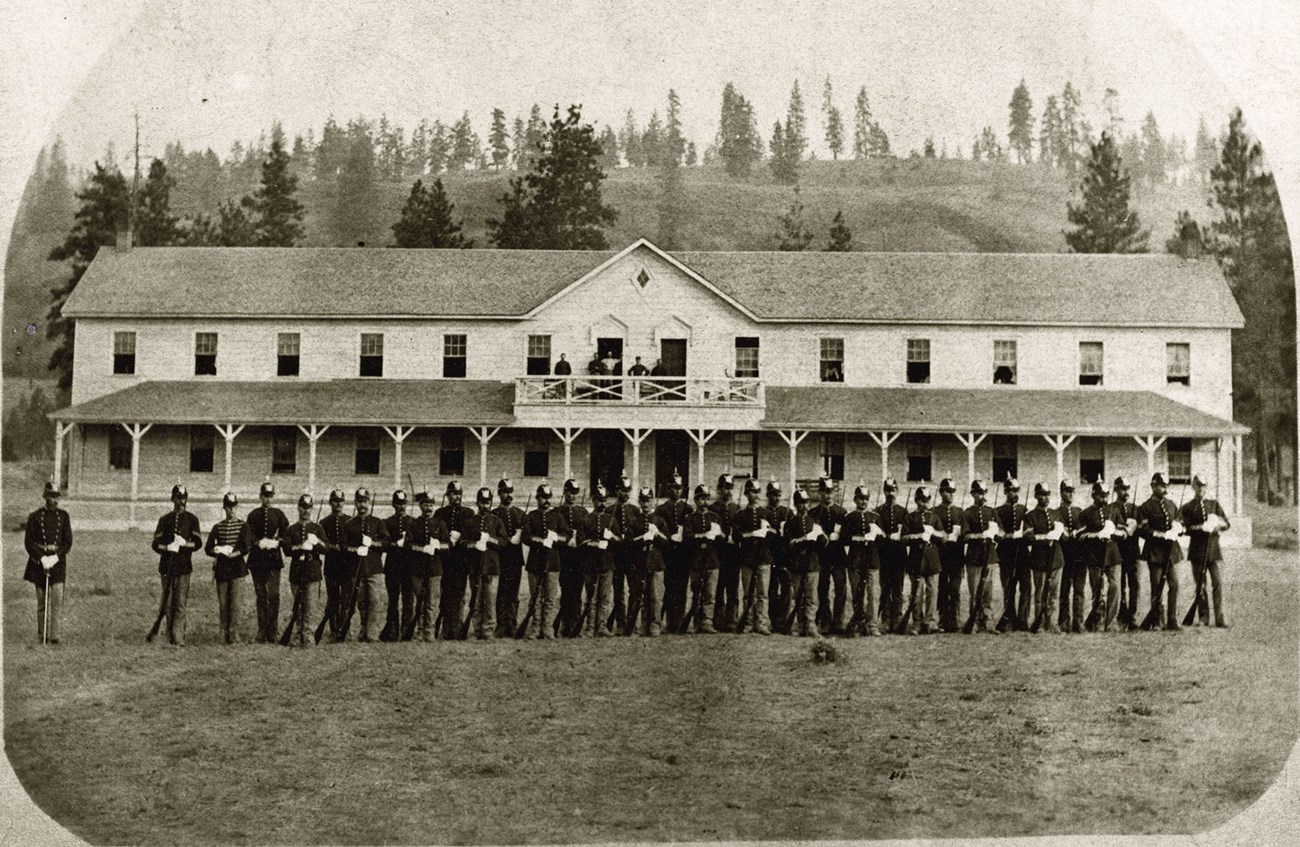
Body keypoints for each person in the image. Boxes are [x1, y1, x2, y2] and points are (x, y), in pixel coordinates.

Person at [151, 484, 203, 646]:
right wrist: (167, 547)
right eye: (178, 498)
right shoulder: (164, 520)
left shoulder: (192, 520)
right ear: (172, 499)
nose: (181, 501)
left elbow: (197, 543)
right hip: (167, 566)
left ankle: (178, 636)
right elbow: (155, 544)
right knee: (167, 602)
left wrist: (183, 544)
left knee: (180, 603)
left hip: (183, 566)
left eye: (184, 498)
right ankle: (168, 634)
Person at [24, 481, 72, 645]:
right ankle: (42, 635)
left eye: (57, 496)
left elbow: (67, 542)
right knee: (42, 601)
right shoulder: (34, 517)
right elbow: (28, 543)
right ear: (45, 497)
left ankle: (55, 636)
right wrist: (42, 558)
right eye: (52, 496)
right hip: (39, 563)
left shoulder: (64, 516)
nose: (56, 500)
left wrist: (55, 557)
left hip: (57, 562)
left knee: (57, 600)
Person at [521, 482, 571, 639]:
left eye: (548, 497)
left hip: (552, 562)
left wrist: (556, 538)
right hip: (535, 562)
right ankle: (535, 628)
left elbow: (567, 535)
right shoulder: (530, 516)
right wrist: (540, 541)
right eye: (543, 497)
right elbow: (525, 537)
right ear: (537, 498)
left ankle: (548, 628)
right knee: (535, 597)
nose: (546, 500)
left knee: (550, 598)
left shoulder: (557, 516)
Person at [341, 487, 389, 642]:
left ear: (369, 502)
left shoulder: (377, 522)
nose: (362, 505)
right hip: (356, 568)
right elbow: (343, 546)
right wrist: (355, 550)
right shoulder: (349, 524)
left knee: (375, 600)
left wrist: (372, 543)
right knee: (361, 601)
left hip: (374, 568)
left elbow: (386, 543)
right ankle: (363, 630)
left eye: (365, 501)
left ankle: (372, 633)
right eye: (359, 501)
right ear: (355, 502)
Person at [246, 481, 290, 643]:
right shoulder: (253, 515)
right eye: (265, 496)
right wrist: (258, 542)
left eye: (271, 496)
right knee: (261, 595)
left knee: (274, 594)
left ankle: (272, 630)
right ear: (260, 496)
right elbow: (248, 534)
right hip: (257, 559)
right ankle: (261, 630)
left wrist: (277, 541)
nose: (268, 499)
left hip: (273, 560)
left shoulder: (278, 514)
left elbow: (286, 532)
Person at [1138, 472, 1183, 631]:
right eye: (1161, 485)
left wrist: (1178, 529)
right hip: (1155, 552)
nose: (1164, 488)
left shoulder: (1171, 504)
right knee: (1157, 586)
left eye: (1166, 485)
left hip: (1170, 552)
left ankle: (1172, 620)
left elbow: (1179, 522)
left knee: (1174, 585)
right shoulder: (1145, 507)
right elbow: (1143, 530)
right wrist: (1161, 534)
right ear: (1153, 486)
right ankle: (1157, 621)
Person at [282, 493, 326, 648]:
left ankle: (308, 638)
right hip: (297, 572)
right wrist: (301, 546)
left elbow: (325, 549)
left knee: (310, 608)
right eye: (303, 507)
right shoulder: (291, 529)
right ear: (298, 507)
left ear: (312, 508)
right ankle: (295, 637)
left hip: (313, 571)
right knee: (298, 607)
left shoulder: (317, 528)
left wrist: (316, 542)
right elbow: (287, 549)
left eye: (308, 507)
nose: (305, 510)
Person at [205, 491, 250, 644]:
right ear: (224, 508)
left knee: (236, 603)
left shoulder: (243, 526)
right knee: (223, 603)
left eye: (233, 507)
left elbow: (246, 546)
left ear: (237, 507)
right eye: (228, 507)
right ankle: (223, 633)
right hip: (222, 569)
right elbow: (208, 547)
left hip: (237, 569)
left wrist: (234, 553)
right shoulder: (218, 527)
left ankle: (234, 633)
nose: (231, 510)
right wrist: (216, 550)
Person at [1078, 481, 1122, 632]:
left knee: (1115, 586)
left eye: (1106, 496)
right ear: (1093, 496)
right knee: (1097, 589)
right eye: (1101, 496)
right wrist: (1096, 535)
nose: (1104, 499)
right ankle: (1097, 620)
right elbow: (1080, 535)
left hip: (1112, 554)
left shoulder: (1114, 511)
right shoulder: (1086, 514)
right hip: (1094, 554)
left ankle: (1111, 623)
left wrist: (1114, 532)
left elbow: (1124, 531)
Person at [406, 491, 448, 641]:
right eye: (426, 504)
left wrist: (437, 547)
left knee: (432, 602)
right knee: (420, 601)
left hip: (434, 569)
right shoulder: (414, 524)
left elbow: (447, 545)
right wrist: (422, 548)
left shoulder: (440, 523)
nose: (429, 508)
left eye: (431, 504)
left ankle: (429, 631)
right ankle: (419, 630)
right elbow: (408, 545)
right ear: (420, 505)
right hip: (417, 569)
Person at [733, 478, 773, 635]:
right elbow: (736, 535)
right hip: (747, 558)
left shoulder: (767, 513)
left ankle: (762, 622)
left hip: (763, 557)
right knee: (748, 593)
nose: (754, 495)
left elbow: (775, 536)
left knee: (762, 593)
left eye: (756, 491)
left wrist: (767, 531)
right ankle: (748, 622)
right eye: (751, 492)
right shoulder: (740, 515)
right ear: (745, 494)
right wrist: (751, 534)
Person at [464, 487, 505, 639]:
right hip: (475, 567)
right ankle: (477, 629)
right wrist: (474, 544)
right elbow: (463, 542)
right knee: (475, 600)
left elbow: (503, 542)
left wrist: (489, 539)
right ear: (477, 503)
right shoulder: (470, 522)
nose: (485, 506)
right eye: (482, 502)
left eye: (487, 502)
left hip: (492, 567)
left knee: (490, 601)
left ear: (491, 503)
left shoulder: (496, 521)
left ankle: (488, 630)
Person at [1023, 482, 1064, 634]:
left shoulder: (1056, 513)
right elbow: (1029, 537)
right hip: (1039, 559)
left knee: (1054, 593)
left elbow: (1063, 535)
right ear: (1036, 496)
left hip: (1056, 559)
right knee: (1040, 593)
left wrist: (1061, 533)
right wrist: (1047, 537)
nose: (1045, 498)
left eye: (1047, 494)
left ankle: (1053, 623)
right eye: (1041, 494)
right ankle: (1039, 623)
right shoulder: (1030, 516)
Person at [842, 484, 883, 636]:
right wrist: (860, 538)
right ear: (855, 499)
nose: (863, 502)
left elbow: (883, 540)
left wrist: (877, 534)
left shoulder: (875, 517)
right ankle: (859, 623)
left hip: (872, 560)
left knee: (873, 593)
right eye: (860, 498)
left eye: (866, 499)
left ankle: (872, 625)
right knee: (857, 593)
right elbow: (844, 538)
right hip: (855, 561)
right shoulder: (849, 517)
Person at [655, 470, 693, 633]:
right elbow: (659, 530)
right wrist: (671, 537)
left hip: (683, 554)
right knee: (669, 588)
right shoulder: (662, 509)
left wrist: (683, 535)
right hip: (668, 553)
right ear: (669, 489)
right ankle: (670, 622)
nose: (677, 491)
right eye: (674, 488)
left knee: (682, 587)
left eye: (680, 488)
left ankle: (680, 621)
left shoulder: (688, 508)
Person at [810, 477, 848, 634]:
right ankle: (825, 621)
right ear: (820, 493)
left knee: (840, 589)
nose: (828, 495)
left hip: (838, 557)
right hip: (822, 557)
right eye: (825, 492)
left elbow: (847, 536)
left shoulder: (842, 512)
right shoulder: (813, 513)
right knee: (822, 590)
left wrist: (839, 536)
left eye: (831, 492)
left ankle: (838, 621)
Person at [902, 486, 941, 635]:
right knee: (916, 592)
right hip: (916, 558)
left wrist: (934, 532)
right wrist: (919, 536)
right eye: (921, 500)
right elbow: (903, 538)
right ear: (916, 500)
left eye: (926, 500)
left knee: (932, 591)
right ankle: (917, 622)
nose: (924, 503)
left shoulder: (934, 517)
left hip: (932, 559)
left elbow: (944, 536)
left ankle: (930, 621)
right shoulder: (910, 517)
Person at [782, 489, 822, 638]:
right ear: (795, 504)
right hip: (797, 563)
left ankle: (810, 625)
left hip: (812, 563)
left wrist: (819, 537)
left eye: (805, 502)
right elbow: (788, 544)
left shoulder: (815, 521)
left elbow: (822, 542)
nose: (803, 506)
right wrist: (804, 539)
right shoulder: (790, 522)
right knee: (796, 596)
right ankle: (796, 625)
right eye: (800, 503)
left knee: (811, 596)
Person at [962, 480, 999, 634]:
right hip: (974, 558)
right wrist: (981, 535)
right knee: (975, 592)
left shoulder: (992, 512)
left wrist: (995, 532)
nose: (981, 495)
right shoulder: (967, 513)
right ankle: (974, 621)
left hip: (990, 557)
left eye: (983, 492)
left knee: (988, 593)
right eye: (978, 493)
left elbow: (1001, 532)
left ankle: (988, 622)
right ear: (973, 494)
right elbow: (965, 536)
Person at [609, 475, 645, 634]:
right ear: (617, 491)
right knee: (618, 591)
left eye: (628, 490)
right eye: (623, 490)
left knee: (634, 589)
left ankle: (631, 623)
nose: (626, 494)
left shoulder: (635, 511)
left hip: (632, 556)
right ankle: (620, 623)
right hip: (616, 556)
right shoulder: (610, 511)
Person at [435, 481, 471, 640]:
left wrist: (460, 538)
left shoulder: (468, 513)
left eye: (458, 494)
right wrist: (446, 538)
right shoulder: (440, 513)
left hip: (461, 560)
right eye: (453, 494)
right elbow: (435, 533)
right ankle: (445, 628)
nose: (456, 497)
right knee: (445, 595)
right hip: (444, 560)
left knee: (459, 595)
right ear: (447, 495)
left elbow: (471, 533)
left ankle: (457, 628)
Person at [685, 484, 722, 634]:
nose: (704, 502)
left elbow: (722, 539)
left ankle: (707, 622)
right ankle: (696, 622)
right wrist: (702, 536)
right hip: (696, 561)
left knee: (710, 594)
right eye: (701, 499)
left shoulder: (715, 518)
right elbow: (686, 537)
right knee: (696, 592)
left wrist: (718, 534)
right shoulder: (690, 518)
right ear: (695, 500)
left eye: (706, 498)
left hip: (712, 561)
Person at [492, 479, 527, 637]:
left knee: (513, 593)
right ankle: (500, 624)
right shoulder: (494, 514)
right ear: (499, 493)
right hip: (499, 558)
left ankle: (512, 624)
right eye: (505, 492)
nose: (508, 495)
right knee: (501, 593)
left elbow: (527, 536)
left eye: (510, 492)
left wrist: (521, 535)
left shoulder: (520, 513)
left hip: (515, 559)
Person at [582, 483, 617, 636]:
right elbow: (580, 541)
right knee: (591, 597)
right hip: (590, 563)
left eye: (604, 500)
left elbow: (620, 540)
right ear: (593, 501)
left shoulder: (610, 520)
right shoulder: (586, 520)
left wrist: (612, 538)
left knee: (604, 597)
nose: (602, 503)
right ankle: (590, 627)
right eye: (599, 500)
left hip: (606, 563)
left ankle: (601, 626)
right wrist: (595, 543)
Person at [994, 478, 1029, 631]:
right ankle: (1009, 618)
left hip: (1022, 553)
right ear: (1005, 492)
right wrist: (1007, 535)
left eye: (1016, 490)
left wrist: (1024, 534)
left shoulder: (1024, 509)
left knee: (1026, 587)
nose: (1014, 493)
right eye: (1010, 491)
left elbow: (1028, 530)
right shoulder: (998, 511)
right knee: (1008, 588)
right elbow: (997, 533)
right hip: (1006, 554)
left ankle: (1022, 621)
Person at [634, 486, 669, 636]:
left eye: (648, 500)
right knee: (642, 595)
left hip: (656, 562)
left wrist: (657, 534)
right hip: (641, 561)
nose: (646, 504)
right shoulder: (636, 521)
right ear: (639, 502)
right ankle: (644, 623)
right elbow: (629, 542)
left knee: (656, 596)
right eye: (643, 501)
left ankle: (655, 624)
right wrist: (643, 537)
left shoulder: (659, 520)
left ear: (653, 501)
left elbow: (667, 542)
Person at [555, 479, 588, 636]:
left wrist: (579, 538)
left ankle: (575, 625)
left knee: (577, 591)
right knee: (565, 590)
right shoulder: (558, 512)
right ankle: (564, 624)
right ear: (564, 492)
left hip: (579, 556)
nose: (573, 496)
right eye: (570, 492)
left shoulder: (583, 512)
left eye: (575, 493)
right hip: (563, 556)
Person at [380, 490, 414, 642]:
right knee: (393, 599)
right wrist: (394, 544)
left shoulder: (413, 522)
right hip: (393, 565)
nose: (401, 507)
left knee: (408, 600)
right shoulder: (386, 523)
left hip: (408, 566)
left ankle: (407, 631)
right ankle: (392, 631)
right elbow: (384, 544)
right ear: (393, 505)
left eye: (404, 504)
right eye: (398, 504)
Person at [933, 478, 966, 632]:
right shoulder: (935, 511)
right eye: (947, 491)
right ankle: (942, 620)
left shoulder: (960, 512)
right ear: (941, 492)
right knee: (942, 588)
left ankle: (955, 619)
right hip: (940, 555)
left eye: (953, 491)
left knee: (955, 589)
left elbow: (965, 534)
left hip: (956, 556)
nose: (951, 494)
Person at [876, 479, 908, 632]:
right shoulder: (878, 511)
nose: (891, 494)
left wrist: (900, 536)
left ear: (898, 492)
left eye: (893, 490)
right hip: (883, 555)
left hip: (899, 556)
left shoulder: (903, 511)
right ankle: (885, 619)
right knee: (885, 589)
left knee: (898, 589)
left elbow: (907, 533)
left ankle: (897, 619)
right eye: (888, 490)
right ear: (884, 492)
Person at [319, 489, 350, 641]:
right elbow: (322, 544)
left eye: (340, 501)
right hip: (331, 565)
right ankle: (333, 629)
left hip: (346, 566)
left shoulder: (350, 521)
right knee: (333, 598)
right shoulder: (324, 523)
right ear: (330, 503)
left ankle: (343, 629)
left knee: (345, 599)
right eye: (335, 501)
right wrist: (330, 546)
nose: (338, 504)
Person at [1111, 477, 1142, 627]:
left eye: (1128, 488)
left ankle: (1133, 616)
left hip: (1133, 551)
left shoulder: (1135, 509)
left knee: (1134, 584)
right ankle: (1121, 614)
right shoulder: (1111, 508)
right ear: (1116, 490)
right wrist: (1123, 527)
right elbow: (1110, 527)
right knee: (1120, 584)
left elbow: (1141, 528)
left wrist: (1136, 525)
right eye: (1123, 489)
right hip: (1118, 551)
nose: (1126, 492)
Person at [711, 474, 741, 629]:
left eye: (729, 488)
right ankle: (718, 619)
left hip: (733, 553)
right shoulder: (712, 509)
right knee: (718, 587)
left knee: (733, 588)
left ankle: (732, 620)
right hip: (717, 553)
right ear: (718, 489)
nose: (726, 491)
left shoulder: (737, 509)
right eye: (723, 488)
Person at [764, 479, 793, 631]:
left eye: (778, 494)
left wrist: (785, 532)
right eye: (773, 495)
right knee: (772, 589)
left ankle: (784, 620)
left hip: (784, 556)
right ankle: (773, 620)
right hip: (770, 555)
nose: (776, 498)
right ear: (768, 495)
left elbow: (792, 534)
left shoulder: (787, 512)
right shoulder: (764, 512)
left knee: (787, 587)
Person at [1055, 479, 1084, 632]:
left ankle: (1078, 623)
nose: (1071, 493)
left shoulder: (1079, 511)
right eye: (1067, 491)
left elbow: (1084, 528)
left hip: (1079, 556)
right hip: (1064, 555)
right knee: (1064, 590)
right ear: (1061, 493)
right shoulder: (1056, 512)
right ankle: (1064, 622)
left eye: (1073, 490)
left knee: (1079, 590)